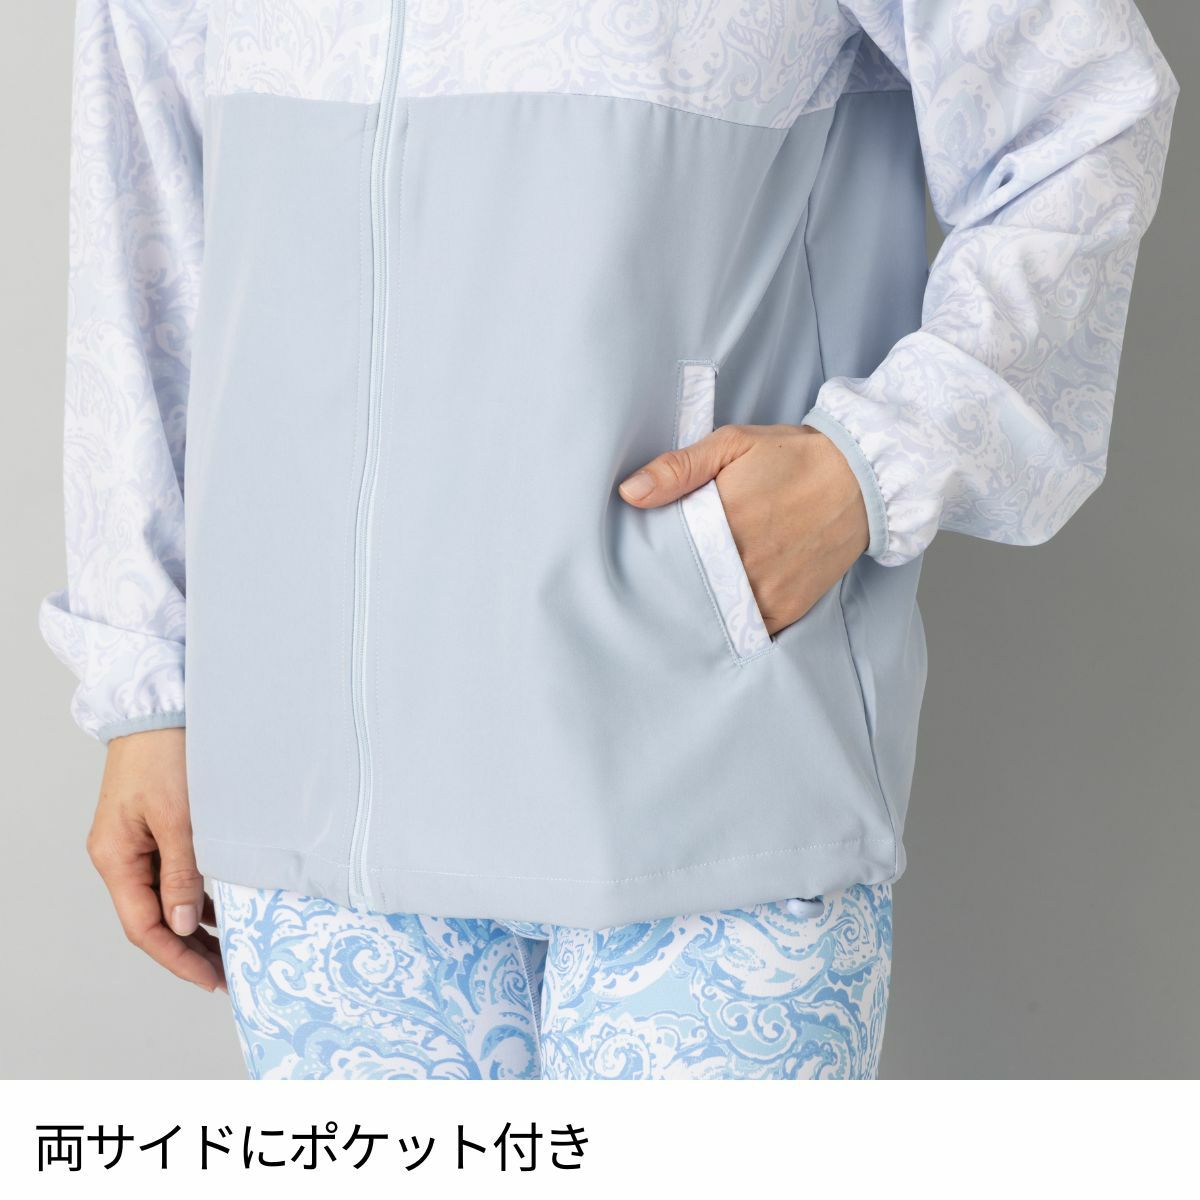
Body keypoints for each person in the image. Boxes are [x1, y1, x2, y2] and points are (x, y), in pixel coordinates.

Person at [42, 0, 1178, 1079]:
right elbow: (148, 223)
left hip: (702, 758)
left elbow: (1085, 108)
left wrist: (869, 464)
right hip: (311, 797)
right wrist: (149, 687)